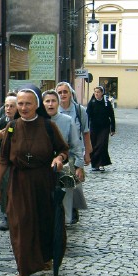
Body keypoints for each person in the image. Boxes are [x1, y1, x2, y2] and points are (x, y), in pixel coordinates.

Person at [0, 84, 69, 276]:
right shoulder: (12, 127)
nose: (23, 108)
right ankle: (23, 273)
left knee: (44, 222)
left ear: (37, 105)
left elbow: (63, 150)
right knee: (20, 226)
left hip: (43, 182)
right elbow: (3, 159)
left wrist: (59, 159)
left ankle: (43, 258)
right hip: (18, 183)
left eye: (28, 103)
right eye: (20, 103)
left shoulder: (48, 126)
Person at [42, 89, 86, 225]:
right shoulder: (38, 121)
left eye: (53, 101)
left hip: (65, 165)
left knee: (66, 199)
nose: (50, 104)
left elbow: (76, 144)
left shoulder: (67, 120)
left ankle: (65, 225)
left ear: (58, 103)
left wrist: (79, 166)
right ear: (42, 104)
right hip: (43, 167)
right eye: (47, 101)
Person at [0, 94, 17, 231]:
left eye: (12, 106)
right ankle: (6, 215)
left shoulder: (22, 121)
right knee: (3, 184)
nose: (8, 108)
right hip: (3, 160)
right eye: (6, 105)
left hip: (18, 160)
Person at [56, 82, 92, 166]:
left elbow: (86, 132)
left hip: (76, 153)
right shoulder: (54, 111)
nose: (62, 94)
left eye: (65, 92)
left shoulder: (79, 110)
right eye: (59, 92)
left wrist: (87, 153)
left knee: (76, 177)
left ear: (70, 94)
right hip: (58, 153)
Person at [87, 86, 116, 172]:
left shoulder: (107, 103)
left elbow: (111, 116)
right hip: (94, 127)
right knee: (94, 145)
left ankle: (101, 163)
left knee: (102, 145)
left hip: (104, 127)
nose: (96, 94)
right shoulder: (91, 103)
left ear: (102, 93)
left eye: (98, 92)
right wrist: (86, 128)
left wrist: (113, 128)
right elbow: (87, 116)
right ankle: (95, 164)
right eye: (95, 92)